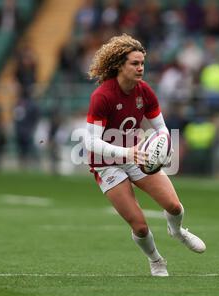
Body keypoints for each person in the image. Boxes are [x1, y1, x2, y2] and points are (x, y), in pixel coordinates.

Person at [85, 34, 206, 277]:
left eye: (142, 63)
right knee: (140, 226)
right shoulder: (103, 95)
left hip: (137, 156)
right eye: (134, 63)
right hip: (107, 164)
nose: (140, 68)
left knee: (174, 206)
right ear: (120, 65)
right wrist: (127, 152)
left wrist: (165, 145)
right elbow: (90, 141)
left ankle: (178, 231)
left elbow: (161, 128)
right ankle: (156, 260)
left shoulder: (145, 91)